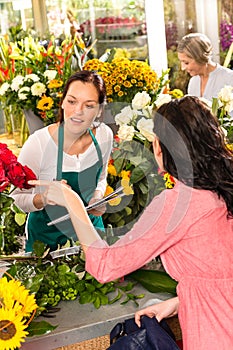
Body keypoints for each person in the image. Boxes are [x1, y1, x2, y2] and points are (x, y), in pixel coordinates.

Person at [29, 95, 233, 350]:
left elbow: (106, 266)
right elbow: (220, 272)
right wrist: (184, 300)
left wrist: (73, 204)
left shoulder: (177, 204)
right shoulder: (223, 191)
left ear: (161, 149)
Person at [12, 70, 113, 252]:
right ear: (62, 103)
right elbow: (15, 199)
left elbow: (101, 177)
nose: (78, 112)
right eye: (72, 101)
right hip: (45, 243)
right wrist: (43, 198)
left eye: (89, 105)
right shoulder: (39, 144)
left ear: (99, 111)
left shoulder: (104, 136)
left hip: (90, 236)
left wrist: (97, 196)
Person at [177, 32, 233, 100]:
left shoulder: (229, 78)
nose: (183, 68)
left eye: (186, 63)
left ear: (200, 57)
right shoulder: (193, 82)